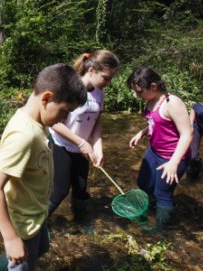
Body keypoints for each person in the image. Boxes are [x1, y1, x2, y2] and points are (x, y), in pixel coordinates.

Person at [0, 64, 87, 270]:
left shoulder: (39, 121)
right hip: (23, 223)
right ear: (47, 98)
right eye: (65, 112)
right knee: (21, 260)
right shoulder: (24, 135)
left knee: (39, 249)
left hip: (36, 214)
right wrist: (11, 238)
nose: (65, 120)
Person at [48, 50, 119, 225]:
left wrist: (97, 146)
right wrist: (81, 142)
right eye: (106, 77)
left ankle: (81, 221)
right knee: (60, 190)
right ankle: (38, 224)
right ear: (92, 70)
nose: (108, 83)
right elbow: (53, 123)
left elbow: (96, 120)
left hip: (81, 148)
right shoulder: (69, 89)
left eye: (111, 79)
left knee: (81, 188)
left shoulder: (99, 92)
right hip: (61, 144)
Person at [128, 67, 193, 232]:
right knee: (143, 182)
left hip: (172, 157)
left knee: (162, 194)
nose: (138, 96)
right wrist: (142, 133)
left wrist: (173, 163)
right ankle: (149, 209)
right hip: (154, 152)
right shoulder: (151, 100)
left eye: (140, 92)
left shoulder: (173, 103)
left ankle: (160, 229)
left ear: (154, 87)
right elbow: (156, 123)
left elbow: (187, 134)